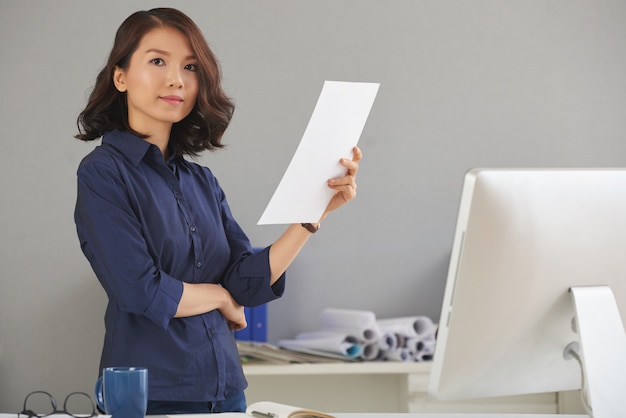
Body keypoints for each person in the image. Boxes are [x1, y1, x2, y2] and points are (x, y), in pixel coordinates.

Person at [73, 7, 362, 415]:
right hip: (150, 395)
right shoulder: (104, 173)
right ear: (120, 76)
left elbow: (245, 284)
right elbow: (140, 290)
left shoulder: (201, 180)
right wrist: (220, 298)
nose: (176, 79)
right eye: (157, 61)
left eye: (190, 67)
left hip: (226, 389)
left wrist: (314, 214)